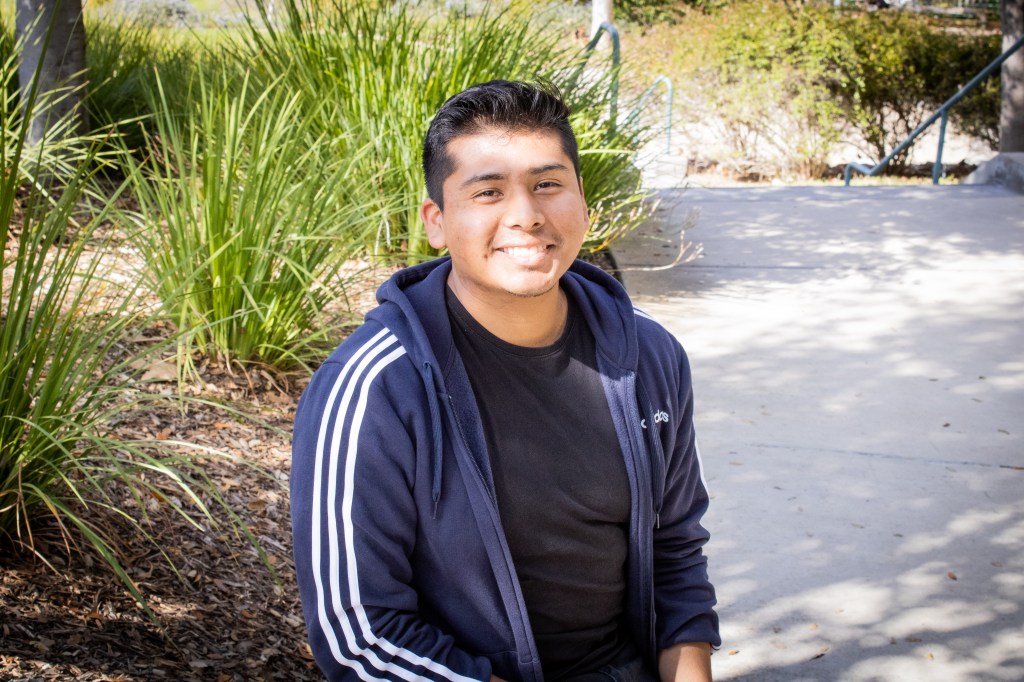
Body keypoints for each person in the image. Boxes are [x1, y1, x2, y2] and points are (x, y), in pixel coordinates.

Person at [291, 80, 719, 682]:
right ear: (437, 222)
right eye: (488, 191)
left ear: (583, 201)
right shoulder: (375, 386)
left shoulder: (647, 353)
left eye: (548, 184)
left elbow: (674, 548)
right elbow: (359, 632)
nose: (526, 215)